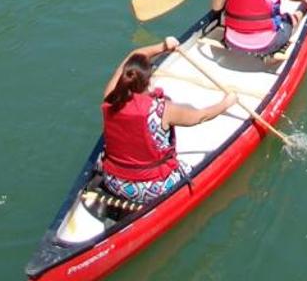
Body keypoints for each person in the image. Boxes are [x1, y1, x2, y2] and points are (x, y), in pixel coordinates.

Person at [100, 40, 234, 203]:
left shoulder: (111, 96)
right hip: (150, 188)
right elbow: (201, 116)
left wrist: (163, 46)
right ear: (148, 81)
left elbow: (133, 57)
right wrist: (227, 103)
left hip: (113, 180)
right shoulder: (162, 109)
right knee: (191, 168)